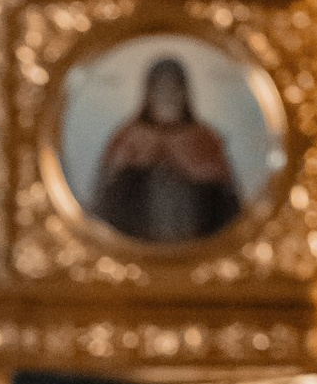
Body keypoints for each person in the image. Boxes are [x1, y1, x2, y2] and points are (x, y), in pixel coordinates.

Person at [86, 56, 245, 249]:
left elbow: (228, 205)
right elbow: (104, 198)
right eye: (160, 88)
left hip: (194, 242)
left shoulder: (204, 139)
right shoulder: (128, 138)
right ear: (149, 92)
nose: (167, 95)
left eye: (173, 88)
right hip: (138, 243)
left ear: (184, 92)